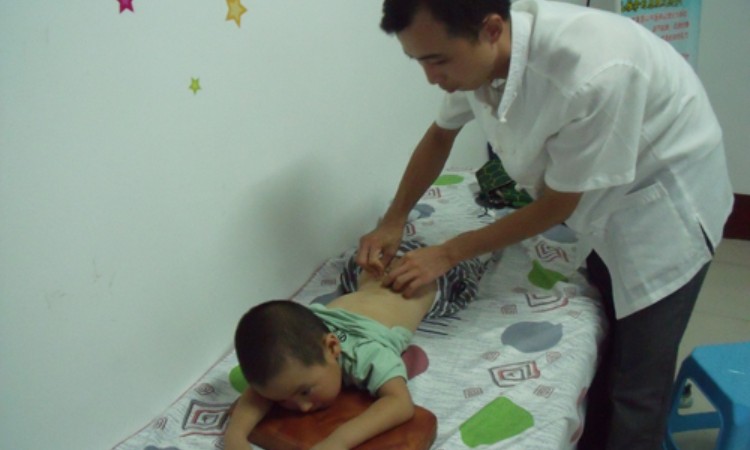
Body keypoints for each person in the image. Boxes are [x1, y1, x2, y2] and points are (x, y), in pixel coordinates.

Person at [357, 1, 733, 449]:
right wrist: (394, 218)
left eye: (437, 60)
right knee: (608, 343)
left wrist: (448, 252)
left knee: (638, 384)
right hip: (601, 205)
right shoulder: (474, 59)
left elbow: (558, 205)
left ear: (491, 30)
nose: (430, 77)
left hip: (663, 209)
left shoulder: (593, 73)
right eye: (418, 60)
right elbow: (441, 134)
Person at [224, 241, 486, 450]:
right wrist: (235, 436)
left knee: (475, 261)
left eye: (305, 391)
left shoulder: (368, 354)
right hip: (375, 267)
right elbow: (260, 391)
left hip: (436, 279)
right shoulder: (301, 334)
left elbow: (399, 403)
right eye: (282, 401)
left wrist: (338, 442)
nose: (303, 407)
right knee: (365, 266)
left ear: (333, 348)